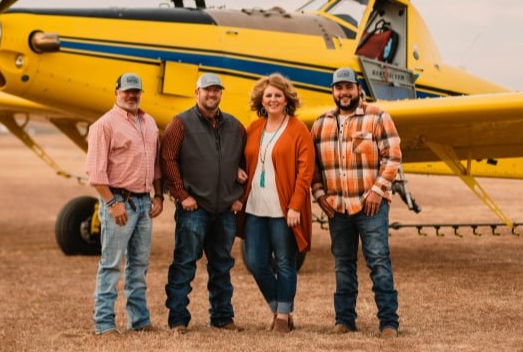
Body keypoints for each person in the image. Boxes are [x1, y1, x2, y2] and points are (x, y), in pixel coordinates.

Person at [310, 66, 402, 338]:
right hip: (337, 207)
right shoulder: (320, 123)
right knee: (343, 264)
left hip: (370, 205)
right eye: (339, 88)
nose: (344, 93)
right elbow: (312, 165)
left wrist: (377, 190)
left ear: (358, 89)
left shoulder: (378, 117)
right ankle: (345, 320)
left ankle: (388, 323)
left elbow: (393, 157)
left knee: (378, 262)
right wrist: (318, 194)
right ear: (333, 91)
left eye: (349, 87)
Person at [161, 72, 246, 334]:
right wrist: (181, 195)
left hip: (225, 210)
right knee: (185, 263)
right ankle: (178, 320)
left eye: (216, 90)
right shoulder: (180, 123)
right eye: (207, 90)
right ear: (197, 93)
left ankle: (222, 317)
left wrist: (239, 196)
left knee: (222, 265)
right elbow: (168, 159)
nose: (212, 95)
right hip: (194, 209)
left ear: (221, 94)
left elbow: (247, 161)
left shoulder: (235, 125)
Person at [85, 72, 164, 335]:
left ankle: (139, 321)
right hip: (119, 201)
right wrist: (111, 203)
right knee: (111, 264)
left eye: (136, 91)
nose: (131, 95)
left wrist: (159, 195)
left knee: (139, 265)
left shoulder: (149, 122)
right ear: (116, 93)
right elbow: (96, 173)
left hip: (144, 202)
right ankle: (104, 323)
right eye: (126, 91)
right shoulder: (103, 126)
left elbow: (155, 165)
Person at [236, 73, 315, 333]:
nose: (272, 100)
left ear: (286, 99)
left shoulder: (298, 129)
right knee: (256, 262)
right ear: (262, 99)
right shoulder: (254, 127)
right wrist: (238, 171)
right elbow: (241, 157)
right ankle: (278, 307)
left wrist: (295, 206)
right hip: (255, 207)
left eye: (277, 95)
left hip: (284, 209)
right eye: (268, 95)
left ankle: (282, 317)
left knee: (284, 262)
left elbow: (305, 173)